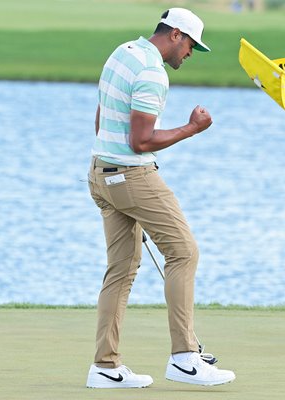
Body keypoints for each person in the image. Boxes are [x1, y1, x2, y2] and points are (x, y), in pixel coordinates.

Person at [85, 8, 236, 387]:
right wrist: (193, 128)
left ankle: (104, 366)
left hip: (100, 171)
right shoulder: (153, 72)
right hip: (132, 175)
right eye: (189, 46)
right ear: (174, 35)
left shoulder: (122, 52)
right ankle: (185, 358)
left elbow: (102, 116)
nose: (189, 54)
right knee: (184, 251)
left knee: (121, 269)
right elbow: (141, 142)